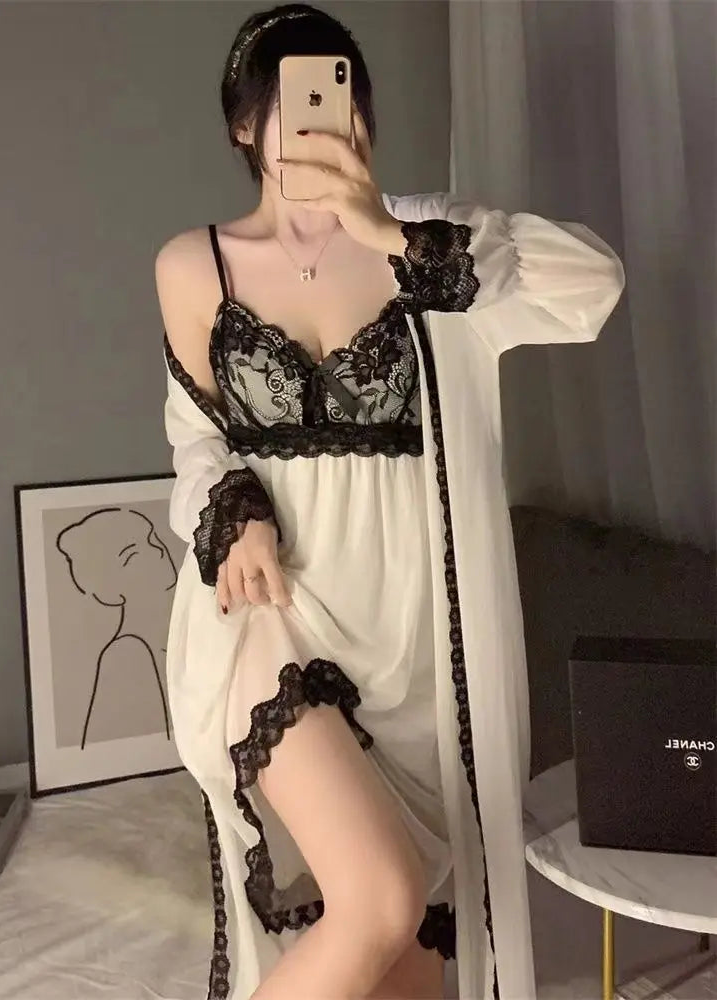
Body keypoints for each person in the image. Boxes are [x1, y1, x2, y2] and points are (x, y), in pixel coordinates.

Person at [154, 5, 626, 1000]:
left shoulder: (432, 239)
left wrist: (388, 231)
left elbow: (595, 284)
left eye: (342, 98)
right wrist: (234, 506)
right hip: (271, 617)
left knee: (406, 951)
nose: (322, 123)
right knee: (379, 898)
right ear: (243, 124)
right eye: (290, 104)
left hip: (416, 641)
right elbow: (196, 434)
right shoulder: (194, 264)